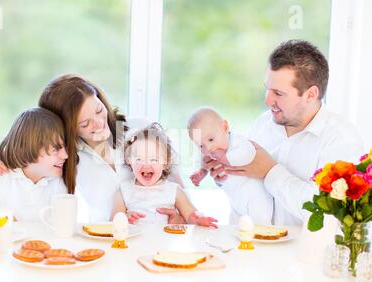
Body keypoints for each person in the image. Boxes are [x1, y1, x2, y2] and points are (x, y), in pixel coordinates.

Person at [0, 75, 185, 223]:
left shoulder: (141, 129)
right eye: (85, 124)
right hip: (109, 243)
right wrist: (1, 160)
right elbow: (29, 158)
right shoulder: (66, 159)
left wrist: (180, 218)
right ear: (69, 128)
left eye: (98, 110)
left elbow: (179, 188)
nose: (98, 123)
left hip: (161, 233)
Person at [205, 40, 364, 225]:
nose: (267, 100)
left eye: (278, 93)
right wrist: (226, 177)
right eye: (267, 89)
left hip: (304, 253)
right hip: (250, 247)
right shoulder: (263, 124)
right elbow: (248, 197)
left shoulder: (341, 140)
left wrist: (270, 171)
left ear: (310, 95)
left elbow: (327, 214)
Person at [110, 123, 218, 228]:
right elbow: (113, 220)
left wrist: (199, 219)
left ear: (165, 162)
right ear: (129, 160)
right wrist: (124, 218)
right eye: (139, 159)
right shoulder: (124, 191)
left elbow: (190, 215)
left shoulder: (174, 191)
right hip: (134, 244)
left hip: (163, 244)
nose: (146, 164)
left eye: (154, 159)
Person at [188, 107, 273, 225]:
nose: (208, 148)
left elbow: (248, 154)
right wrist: (201, 172)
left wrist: (223, 158)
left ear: (225, 127)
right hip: (235, 199)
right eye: (201, 146)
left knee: (260, 224)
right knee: (234, 228)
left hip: (254, 195)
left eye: (211, 139)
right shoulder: (211, 151)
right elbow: (206, 163)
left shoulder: (238, 141)